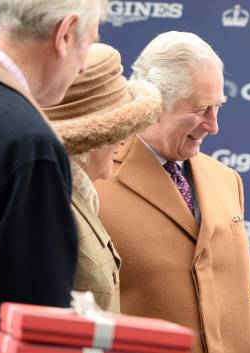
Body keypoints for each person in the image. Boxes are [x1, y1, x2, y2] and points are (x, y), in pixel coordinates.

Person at [96, 31, 250, 353]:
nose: (214, 125)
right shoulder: (96, 178)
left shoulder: (225, 180)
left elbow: (238, 286)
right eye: (200, 110)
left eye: (218, 107)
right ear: (153, 103)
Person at [0, 0, 106, 353]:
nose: (84, 67)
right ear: (65, 33)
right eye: (89, 45)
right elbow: (33, 341)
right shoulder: (28, 145)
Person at [44, 43, 162, 312]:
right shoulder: (52, 207)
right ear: (87, 142)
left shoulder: (79, 197)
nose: (124, 139)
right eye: (116, 130)